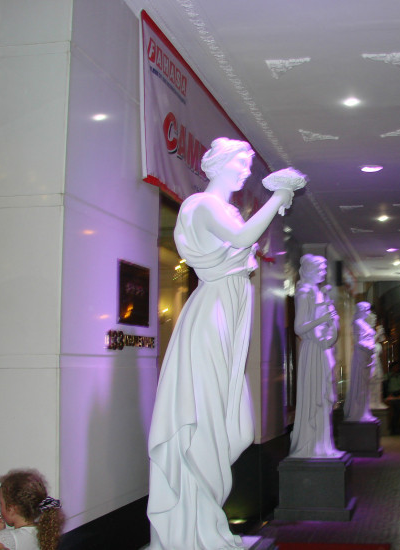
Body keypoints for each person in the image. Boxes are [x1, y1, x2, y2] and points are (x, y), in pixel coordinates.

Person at [147, 137, 303, 549]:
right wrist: (279, 195)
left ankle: (200, 518)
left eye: (248, 165)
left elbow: (242, 236)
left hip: (228, 316)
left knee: (237, 428)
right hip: (211, 317)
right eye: (241, 163)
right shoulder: (201, 205)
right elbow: (243, 236)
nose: (246, 172)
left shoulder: (227, 210)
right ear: (218, 164)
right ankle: (191, 528)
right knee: (208, 420)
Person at [288, 254, 343, 458]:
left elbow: (328, 322)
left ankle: (324, 445)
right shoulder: (304, 293)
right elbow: (299, 328)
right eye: (320, 269)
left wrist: (330, 319)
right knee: (316, 397)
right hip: (312, 350)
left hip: (323, 350)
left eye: (324, 269)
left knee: (324, 398)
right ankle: (311, 446)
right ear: (310, 270)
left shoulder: (318, 292)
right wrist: (322, 319)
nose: (324, 273)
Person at [0, 469, 63, 550]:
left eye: (1, 503)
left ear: (12, 509)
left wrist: (1, 536)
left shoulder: (13, 538)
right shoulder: (41, 532)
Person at [343, 302, 377, 422]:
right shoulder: (357, 323)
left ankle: (364, 411)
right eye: (367, 310)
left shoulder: (363, 323)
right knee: (360, 386)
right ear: (361, 310)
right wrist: (370, 347)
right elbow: (358, 342)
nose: (368, 312)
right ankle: (359, 413)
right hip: (361, 357)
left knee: (365, 387)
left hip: (367, 357)